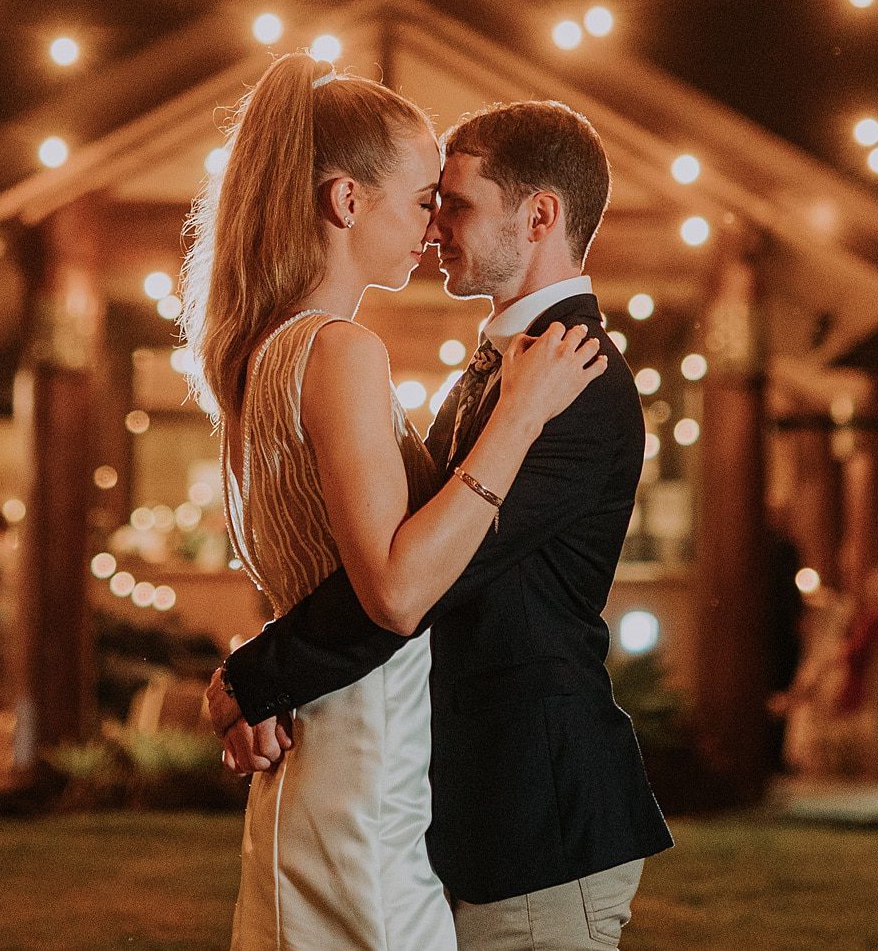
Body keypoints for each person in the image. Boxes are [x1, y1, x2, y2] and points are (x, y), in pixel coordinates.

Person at [206, 97, 674, 950]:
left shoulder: (576, 380)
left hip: (538, 813)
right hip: (464, 807)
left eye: (453, 202)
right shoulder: (492, 371)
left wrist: (258, 671)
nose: (434, 227)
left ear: (540, 216)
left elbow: (418, 581)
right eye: (428, 199)